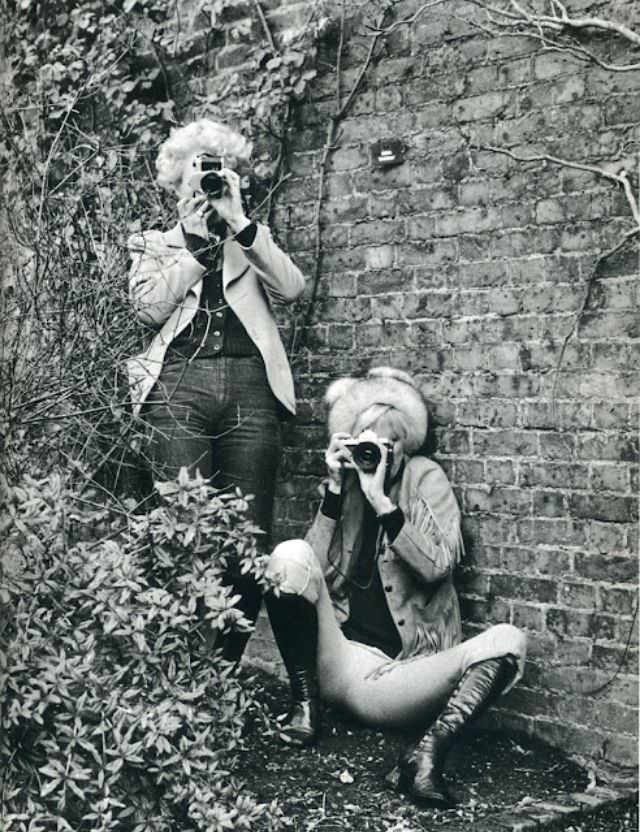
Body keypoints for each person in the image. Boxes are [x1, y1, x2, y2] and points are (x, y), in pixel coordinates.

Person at [264, 367, 527, 808]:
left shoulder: (425, 478)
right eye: (361, 443)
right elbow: (308, 577)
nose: (372, 455)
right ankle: (305, 708)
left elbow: (436, 566)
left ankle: (423, 758)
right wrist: (334, 489)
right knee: (286, 554)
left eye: (384, 445)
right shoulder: (344, 487)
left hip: (400, 676)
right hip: (340, 660)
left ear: (403, 444)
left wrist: (383, 504)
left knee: (509, 641)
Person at [126, 119, 306, 661]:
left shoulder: (251, 239)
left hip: (251, 389)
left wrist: (239, 225)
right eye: (191, 179)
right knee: (184, 531)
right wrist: (195, 247)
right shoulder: (153, 244)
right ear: (175, 186)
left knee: (248, 539)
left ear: (230, 180)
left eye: (211, 175)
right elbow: (144, 309)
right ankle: (181, 666)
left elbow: (293, 288)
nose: (200, 188)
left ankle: (222, 670)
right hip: (178, 388)